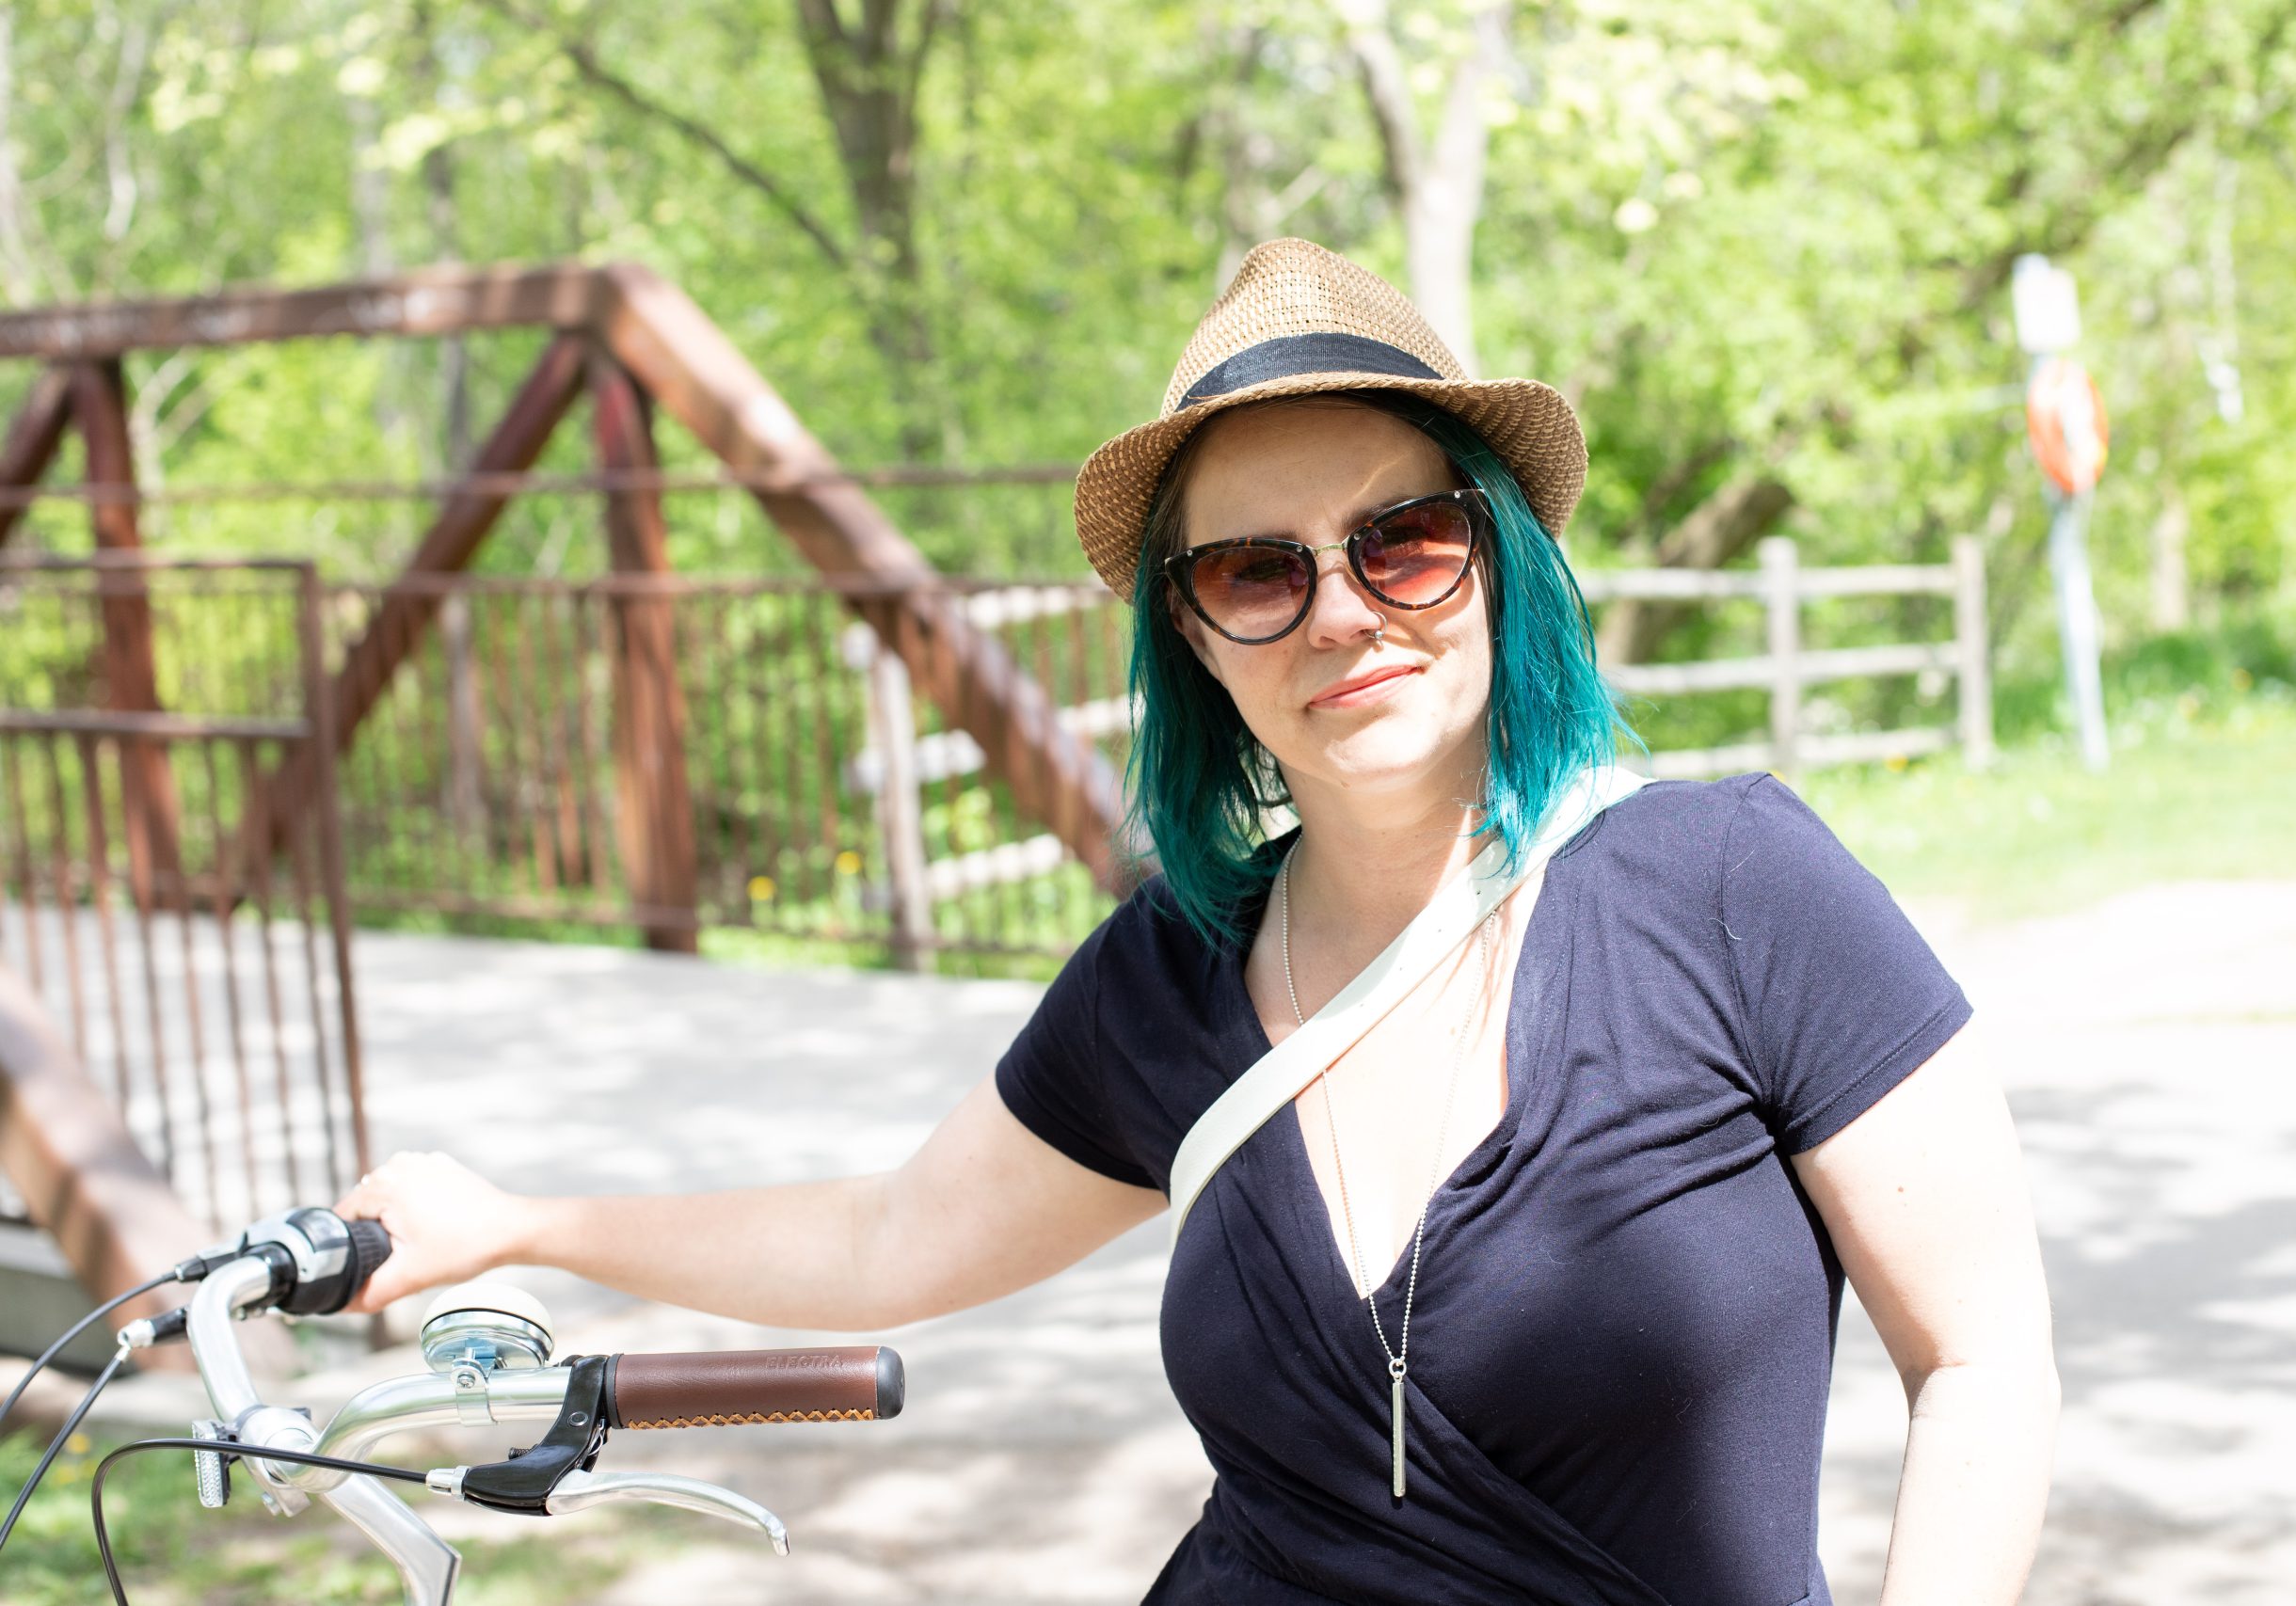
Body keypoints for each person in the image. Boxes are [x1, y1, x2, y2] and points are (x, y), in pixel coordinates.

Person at [343, 238, 2058, 1605]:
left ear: (1502, 564)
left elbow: (1981, 1358)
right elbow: (886, 1240)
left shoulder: (1733, 891)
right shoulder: (1165, 982)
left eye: (1405, 542)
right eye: (1259, 570)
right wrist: (521, 1223)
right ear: (1197, 640)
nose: (1342, 613)